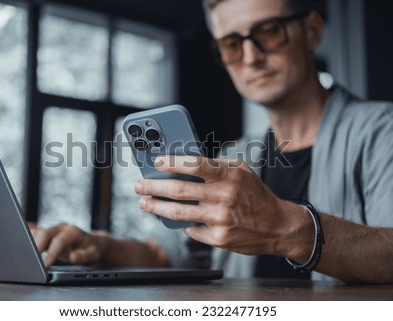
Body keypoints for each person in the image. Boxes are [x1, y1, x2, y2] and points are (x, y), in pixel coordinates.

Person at [30, 0, 393, 284]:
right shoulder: (233, 157)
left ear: (312, 29)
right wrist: (99, 246)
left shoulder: (383, 131)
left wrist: (288, 228)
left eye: (268, 31)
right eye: (232, 44)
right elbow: (169, 255)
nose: (251, 57)